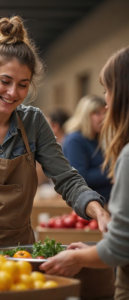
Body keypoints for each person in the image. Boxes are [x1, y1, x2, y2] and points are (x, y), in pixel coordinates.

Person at [0, 16, 110, 268]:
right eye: (5, 81)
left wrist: (98, 211)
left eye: (22, 85)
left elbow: (67, 179)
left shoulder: (34, 122)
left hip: (20, 254)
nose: (13, 93)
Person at [40, 46, 129, 299]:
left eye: (106, 91)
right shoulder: (79, 141)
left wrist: (80, 256)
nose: (106, 105)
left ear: (121, 95)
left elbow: (121, 247)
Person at [63, 95, 112, 203]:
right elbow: (81, 178)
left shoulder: (93, 138)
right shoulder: (75, 140)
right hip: (90, 206)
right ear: (85, 115)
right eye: (97, 113)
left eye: (105, 113)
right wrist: (113, 171)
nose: (103, 118)